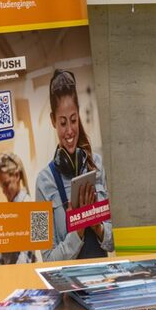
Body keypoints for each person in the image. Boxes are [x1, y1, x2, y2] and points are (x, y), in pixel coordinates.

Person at [35, 69, 113, 262]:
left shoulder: (98, 165)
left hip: (103, 282)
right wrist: (77, 231)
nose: (69, 131)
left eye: (73, 120)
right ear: (53, 120)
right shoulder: (40, 183)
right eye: (62, 123)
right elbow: (45, 258)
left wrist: (97, 226)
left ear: (79, 115)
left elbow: (114, 242)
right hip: (69, 290)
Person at [0, 152, 38, 265]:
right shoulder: (9, 209)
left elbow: (27, 254)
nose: (3, 190)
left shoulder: (30, 207)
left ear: (17, 176)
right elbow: (1, 252)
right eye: (1, 185)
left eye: (6, 184)